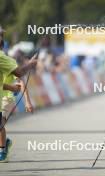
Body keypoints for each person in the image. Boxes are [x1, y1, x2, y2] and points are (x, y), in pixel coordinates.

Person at [0, 26, 38, 162]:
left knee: (0, 124)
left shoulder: (7, 61)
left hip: (7, 98)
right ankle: (4, 142)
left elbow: (20, 82)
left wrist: (27, 101)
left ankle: (3, 149)